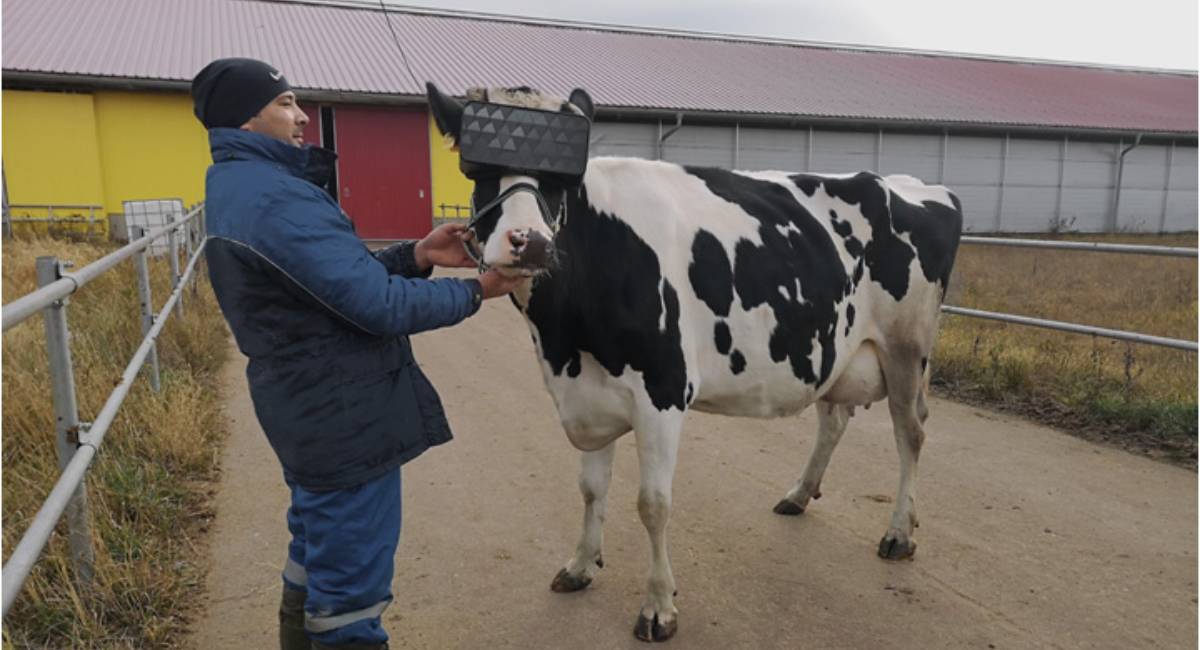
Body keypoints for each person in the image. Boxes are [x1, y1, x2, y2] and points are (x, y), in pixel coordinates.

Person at [191, 58, 522, 650]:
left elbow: (330, 285)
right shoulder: (276, 199)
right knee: (349, 600)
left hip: (309, 407)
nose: (302, 116)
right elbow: (377, 306)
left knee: (314, 554)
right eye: (286, 102)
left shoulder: (247, 188)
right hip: (340, 416)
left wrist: (416, 254)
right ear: (247, 118)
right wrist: (477, 291)